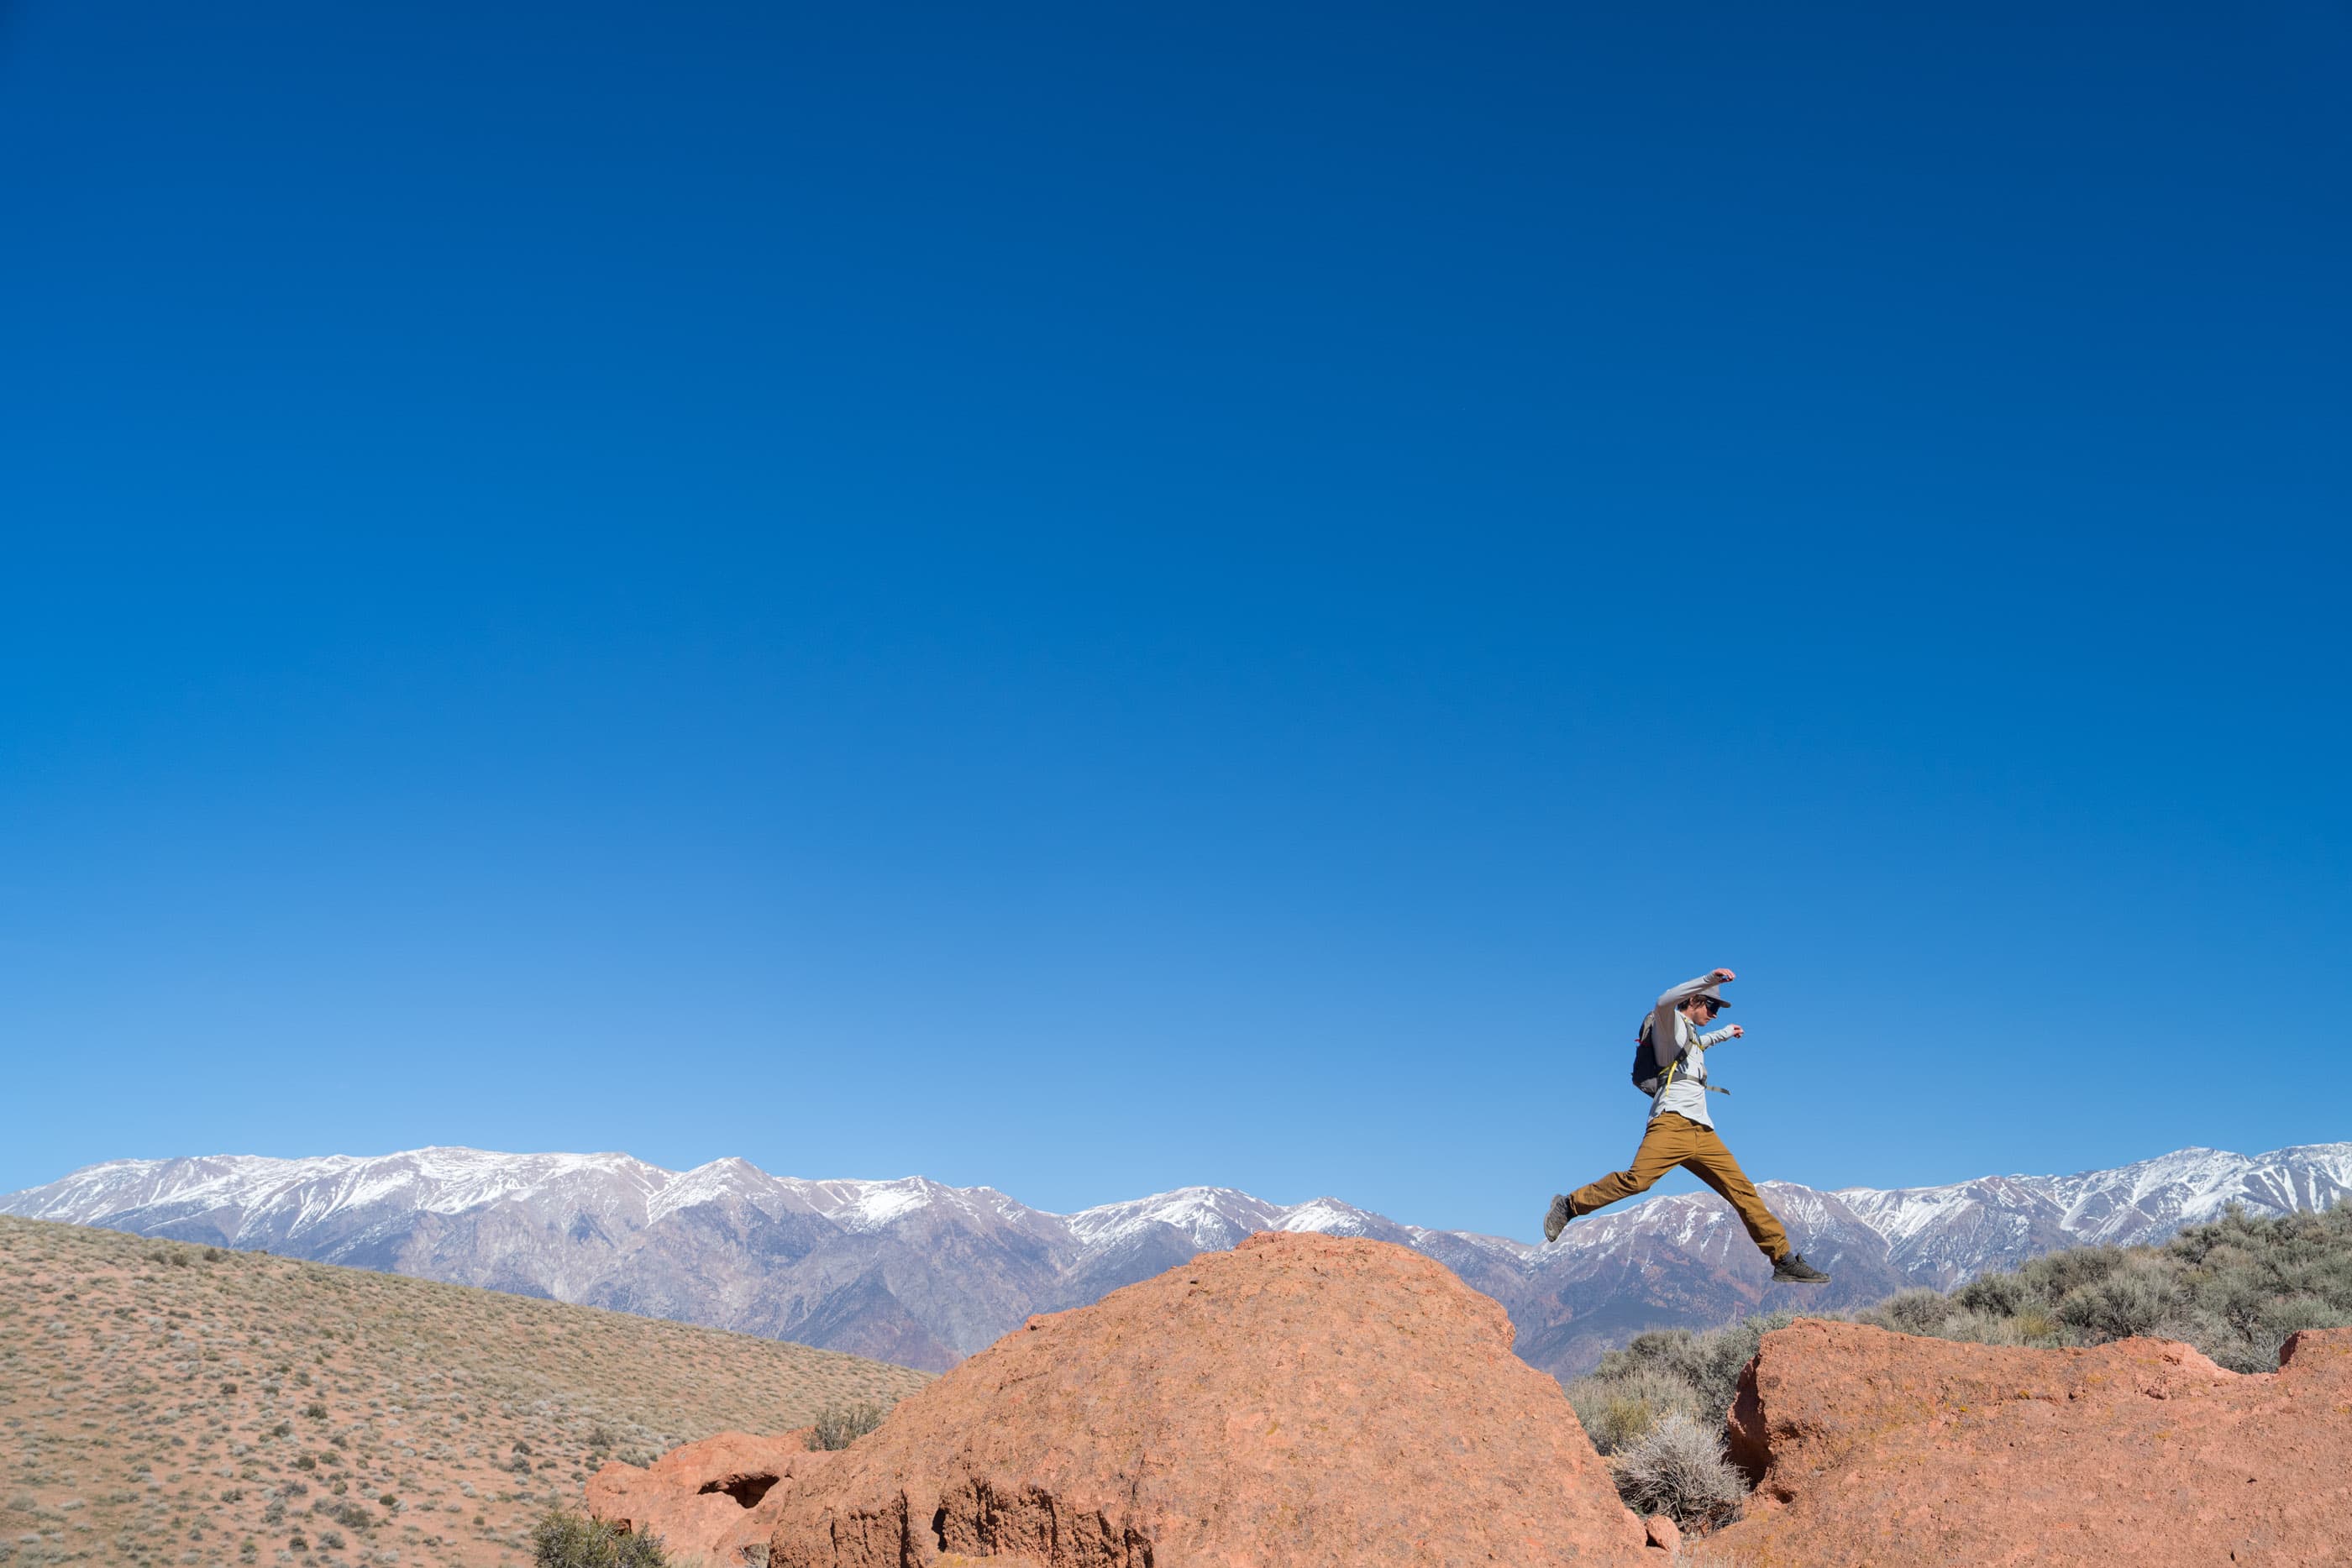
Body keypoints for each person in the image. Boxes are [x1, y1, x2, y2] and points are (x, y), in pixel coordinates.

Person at [1543, 968, 1830, 1284]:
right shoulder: (1669, 1026)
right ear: (1694, 1000)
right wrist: (1710, 979)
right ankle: (1569, 1205)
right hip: (1671, 1124)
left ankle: (1783, 1259)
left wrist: (1726, 1033)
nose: (1715, 1014)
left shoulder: (1691, 1036)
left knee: (1743, 1191)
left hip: (1703, 1131)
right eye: (1712, 1007)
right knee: (1637, 1181)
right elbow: (1664, 1000)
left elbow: (1700, 1044)